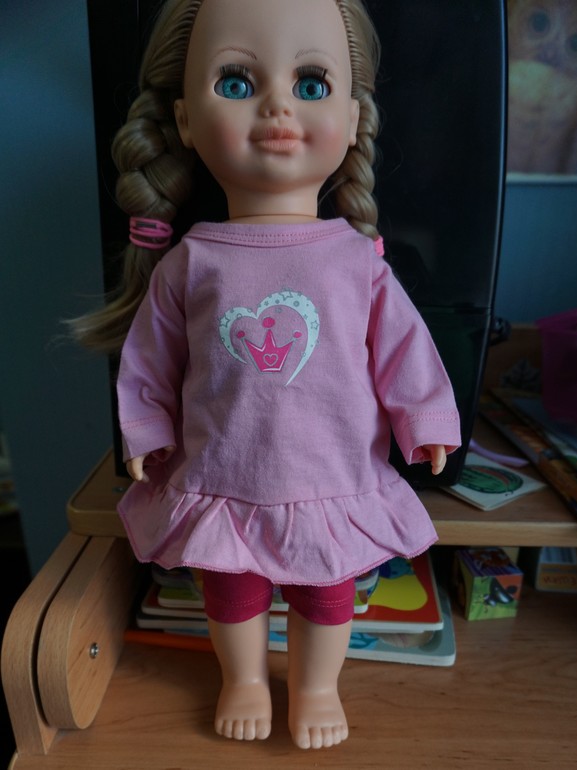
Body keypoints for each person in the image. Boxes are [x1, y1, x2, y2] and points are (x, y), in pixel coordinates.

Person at [73, 0, 461, 750]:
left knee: (328, 594)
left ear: (352, 118)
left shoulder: (355, 261)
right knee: (231, 592)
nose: (278, 106)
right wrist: (145, 431)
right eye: (237, 83)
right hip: (226, 477)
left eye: (311, 84)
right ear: (186, 121)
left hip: (331, 478)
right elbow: (151, 359)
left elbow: (404, 351)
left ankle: (315, 687)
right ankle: (245, 679)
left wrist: (426, 420)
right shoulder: (193, 261)